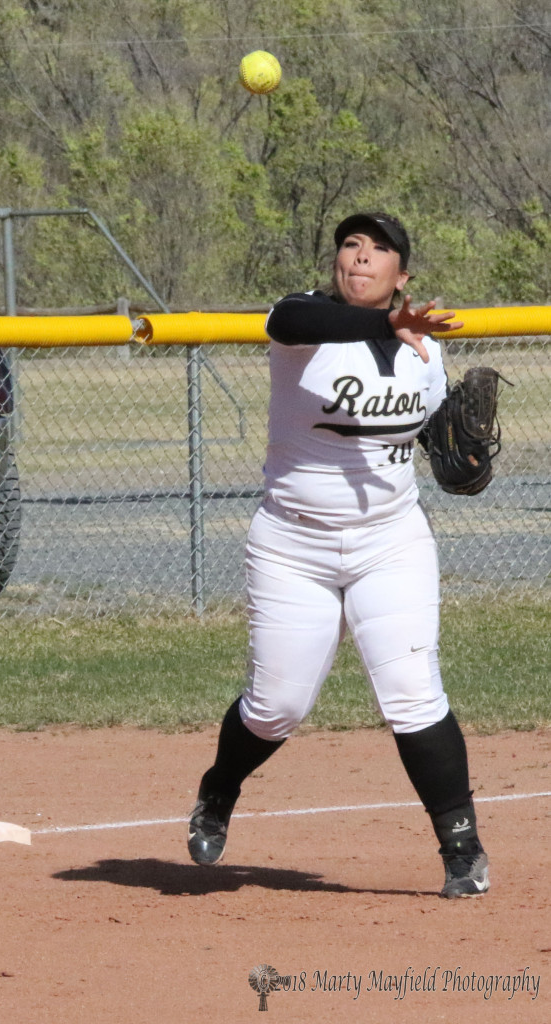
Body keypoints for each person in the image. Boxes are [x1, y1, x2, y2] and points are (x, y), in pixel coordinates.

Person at [187, 212, 490, 899]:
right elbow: (294, 321)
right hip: (293, 545)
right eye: (349, 245)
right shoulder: (301, 324)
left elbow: (430, 434)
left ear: (400, 276)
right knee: (275, 708)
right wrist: (386, 326)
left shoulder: (426, 347)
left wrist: (458, 449)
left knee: (414, 696)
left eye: (378, 249)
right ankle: (218, 789)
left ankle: (461, 846)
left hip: (391, 540)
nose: (359, 257)